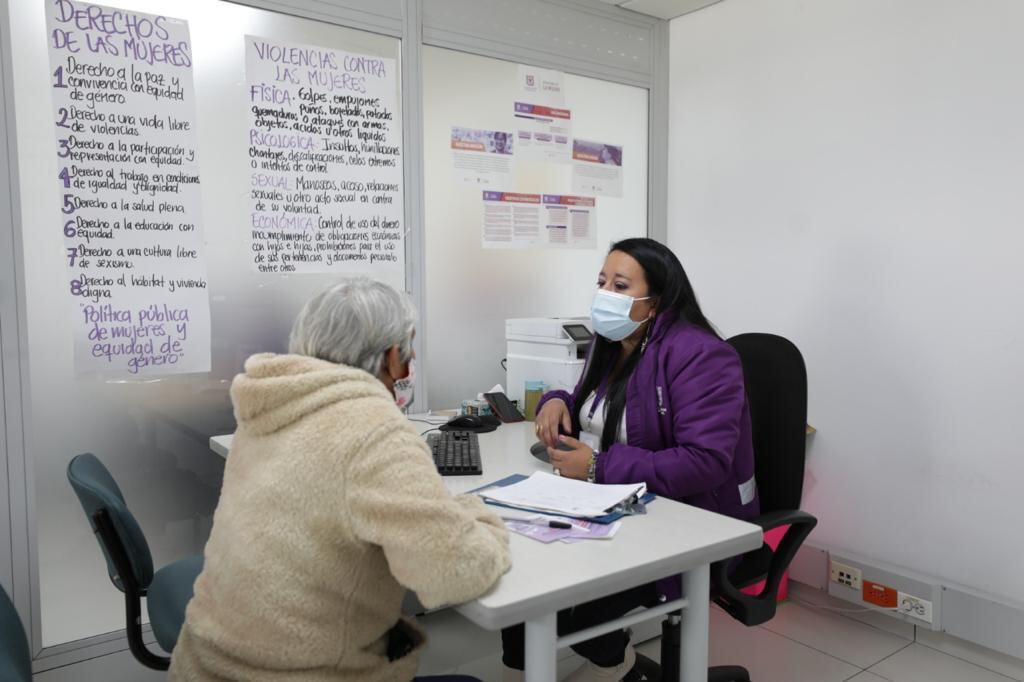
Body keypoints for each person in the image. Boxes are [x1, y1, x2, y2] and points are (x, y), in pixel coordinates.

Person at [170, 278, 511, 682]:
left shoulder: (271, 406)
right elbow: (456, 571)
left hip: (203, 662)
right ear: (390, 356)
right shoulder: (374, 430)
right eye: (409, 346)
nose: (413, 357)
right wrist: (481, 515)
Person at [501, 238, 758, 681]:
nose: (605, 295)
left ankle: (615, 667)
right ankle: (589, 663)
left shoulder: (702, 356)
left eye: (620, 285)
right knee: (518, 573)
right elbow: (594, 406)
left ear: (656, 302)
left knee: (566, 597)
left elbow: (706, 461)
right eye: (602, 282)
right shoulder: (614, 342)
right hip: (610, 504)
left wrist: (599, 468)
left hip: (685, 517)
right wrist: (556, 401)